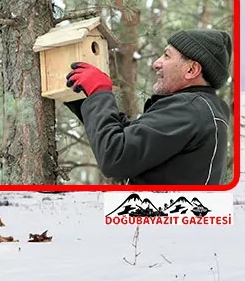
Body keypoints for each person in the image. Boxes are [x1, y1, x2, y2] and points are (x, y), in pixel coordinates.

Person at [64, 28, 232, 185]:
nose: (156, 63)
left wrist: (98, 92)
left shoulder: (190, 110)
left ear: (191, 70)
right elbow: (130, 141)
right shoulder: (200, 110)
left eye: (167, 56)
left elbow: (115, 156)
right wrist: (84, 99)